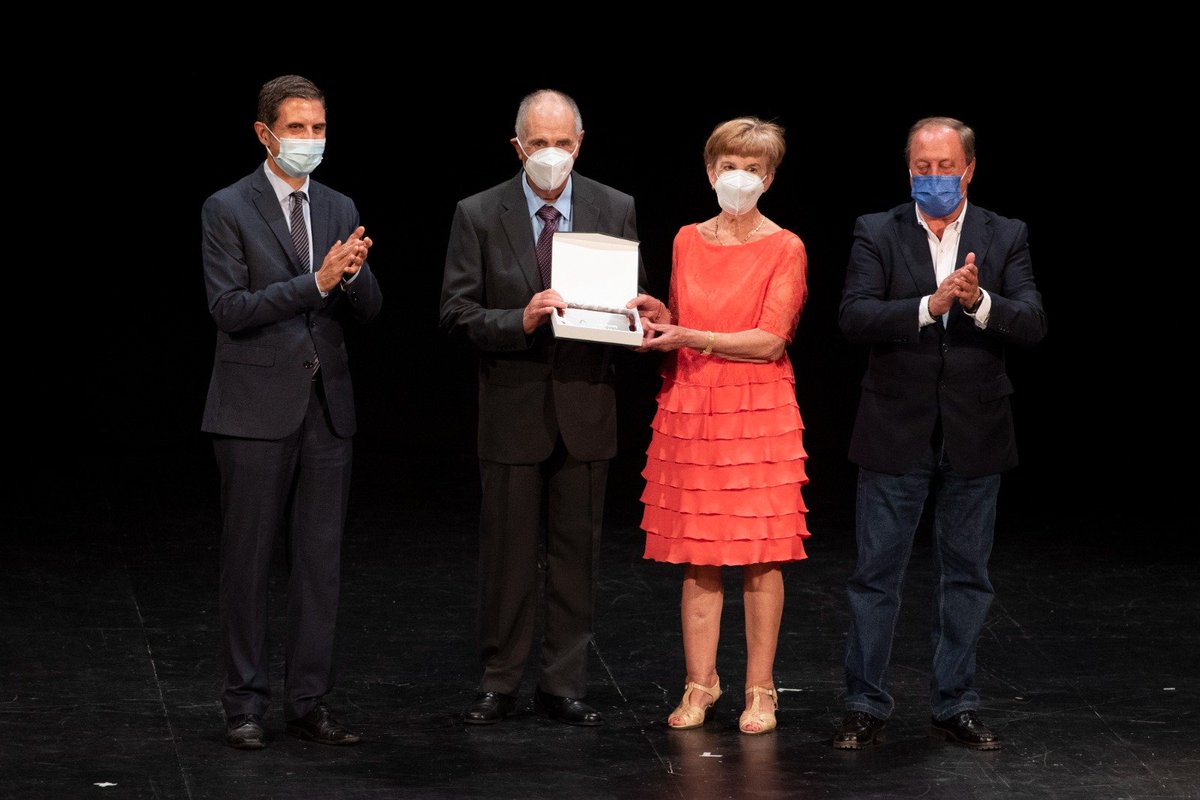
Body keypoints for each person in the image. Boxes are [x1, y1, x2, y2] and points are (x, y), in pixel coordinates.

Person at [832, 116, 1047, 751]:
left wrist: (979, 302)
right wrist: (932, 305)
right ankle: (865, 702)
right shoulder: (877, 230)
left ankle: (956, 702)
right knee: (876, 573)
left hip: (975, 432)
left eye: (944, 167)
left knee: (968, 575)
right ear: (908, 169)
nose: (932, 178)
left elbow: (1033, 321)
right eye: (921, 169)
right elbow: (853, 316)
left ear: (969, 169)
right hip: (895, 428)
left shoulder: (1004, 234)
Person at [439, 89, 644, 727]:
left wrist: (639, 314)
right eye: (540, 143)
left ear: (579, 145)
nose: (552, 155)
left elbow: (626, 304)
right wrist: (518, 319)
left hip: (586, 407)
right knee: (506, 552)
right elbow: (455, 312)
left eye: (563, 143)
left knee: (577, 553)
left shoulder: (615, 207)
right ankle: (499, 680)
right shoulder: (477, 213)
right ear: (518, 146)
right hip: (512, 407)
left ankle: (564, 683)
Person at [200, 74, 382, 750]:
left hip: (326, 411)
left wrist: (355, 274)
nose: (311, 140)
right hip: (253, 409)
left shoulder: (339, 205)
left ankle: (311, 702)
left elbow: (370, 307)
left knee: (318, 563)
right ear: (264, 133)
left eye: (319, 128)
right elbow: (229, 309)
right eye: (298, 128)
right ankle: (244, 704)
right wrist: (317, 281)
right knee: (246, 562)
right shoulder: (227, 207)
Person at [630, 117, 810, 736]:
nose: (739, 177)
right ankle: (700, 683)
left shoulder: (786, 246)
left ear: (769, 178)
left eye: (753, 168)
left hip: (757, 412)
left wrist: (689, 335)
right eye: (729, 165)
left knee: (761, 558)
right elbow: (685, 317)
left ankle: (761, 690)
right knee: (697, 558)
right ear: (710, 170)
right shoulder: (684, 239)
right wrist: (661, 317)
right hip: (691, 406)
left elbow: (769, 340)